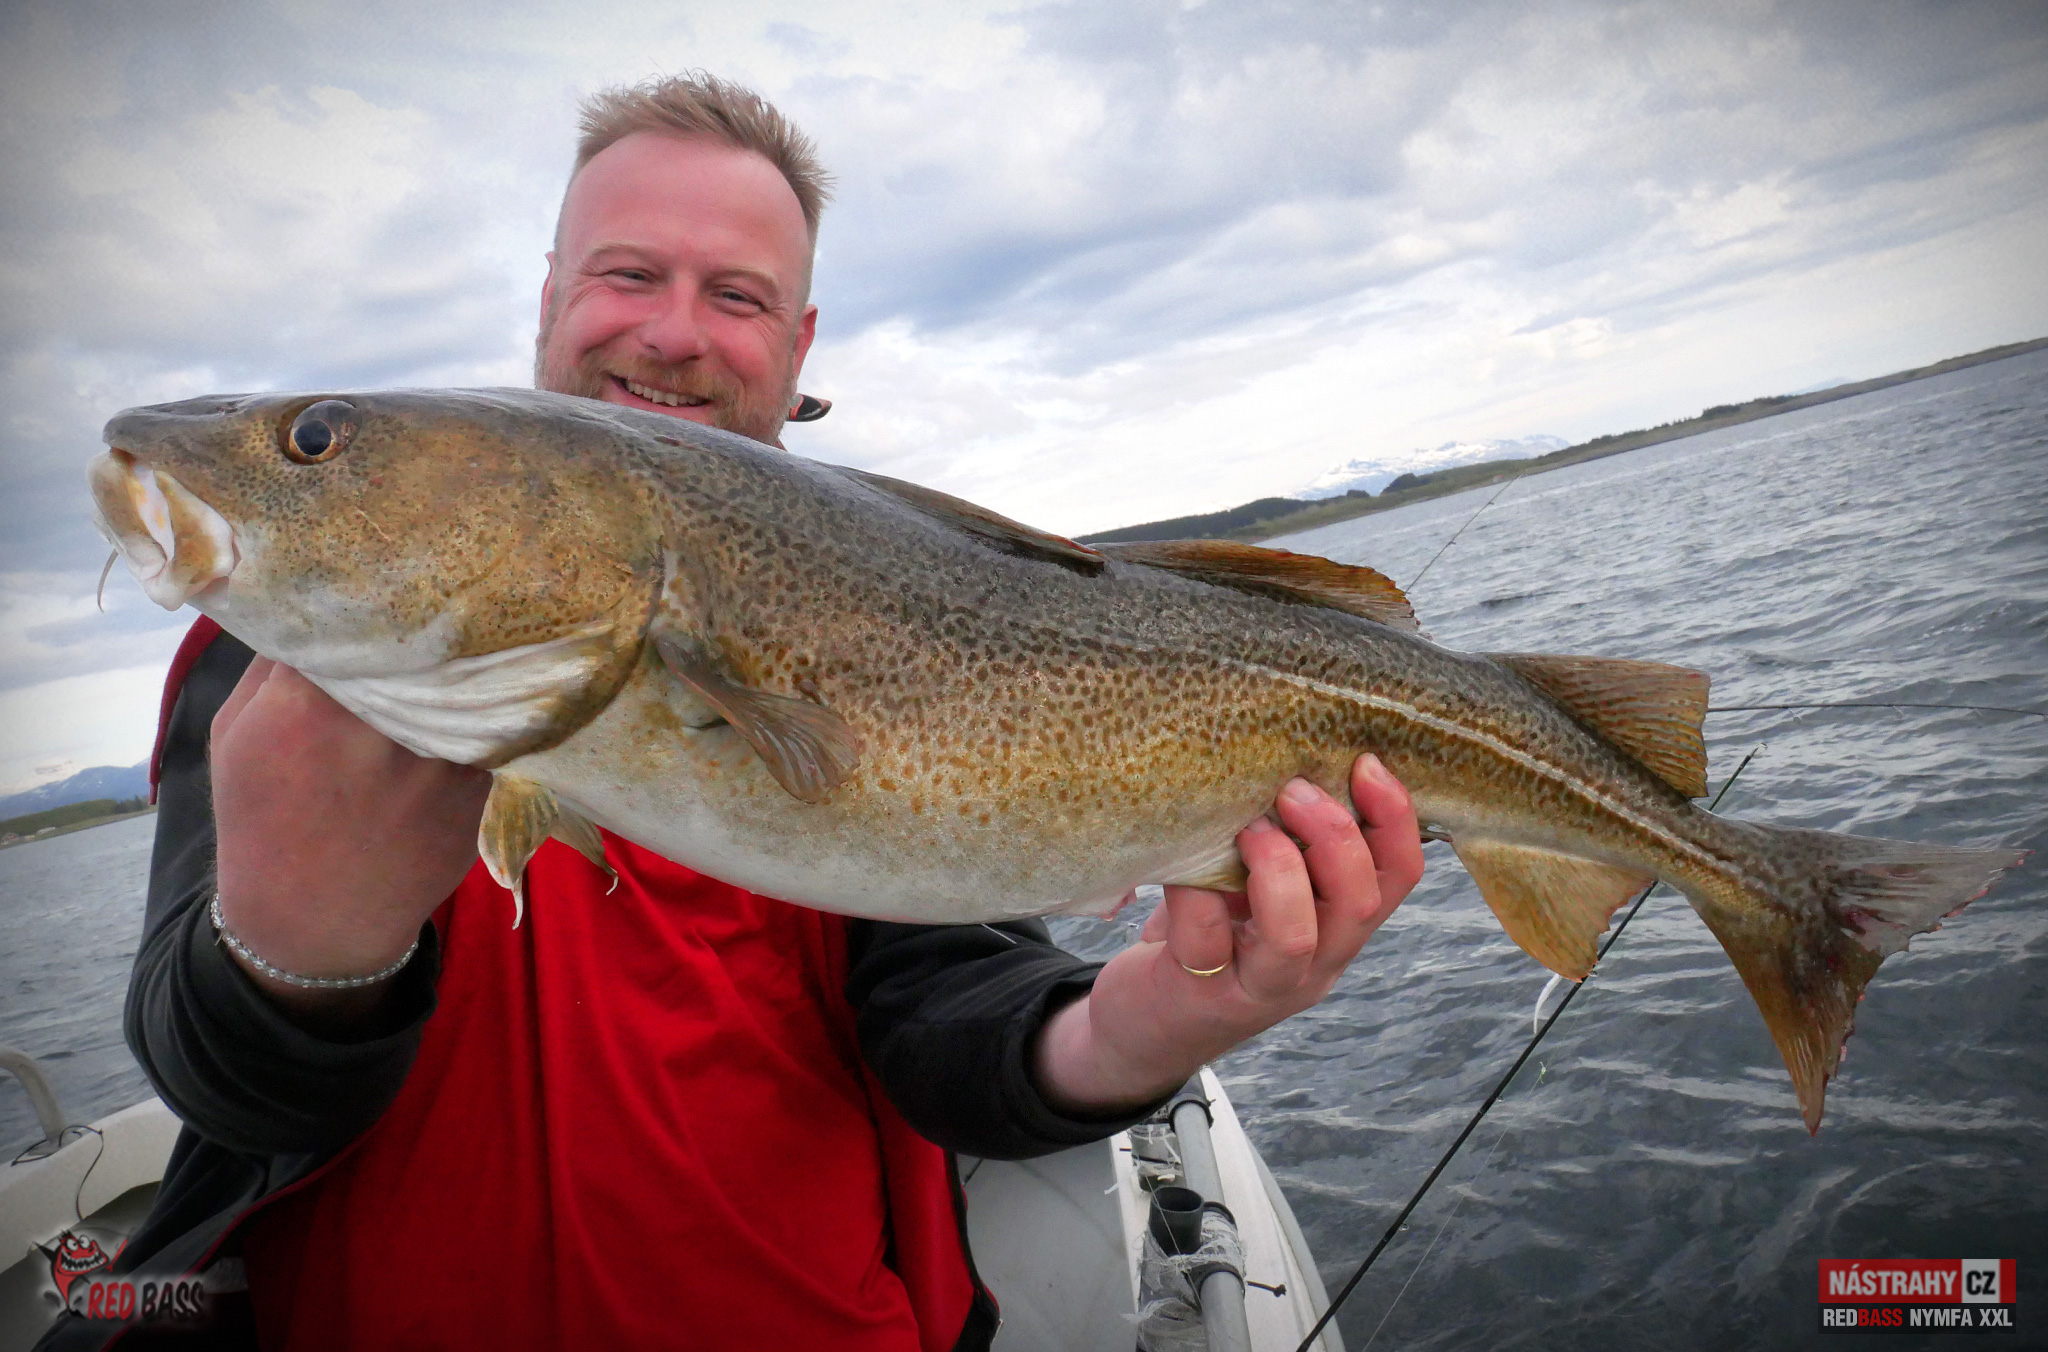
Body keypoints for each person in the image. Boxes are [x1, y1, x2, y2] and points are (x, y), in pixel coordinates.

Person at [41, 74, 1424, 1352]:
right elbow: (228, 1092)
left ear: (798, 340)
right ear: (550, 296)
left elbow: (947, 1020)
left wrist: (1157, 1021)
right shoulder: (276, 668)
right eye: (628, 273)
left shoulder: (875, 596)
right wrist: (297, 955)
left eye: (739, 295)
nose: (674, 331)